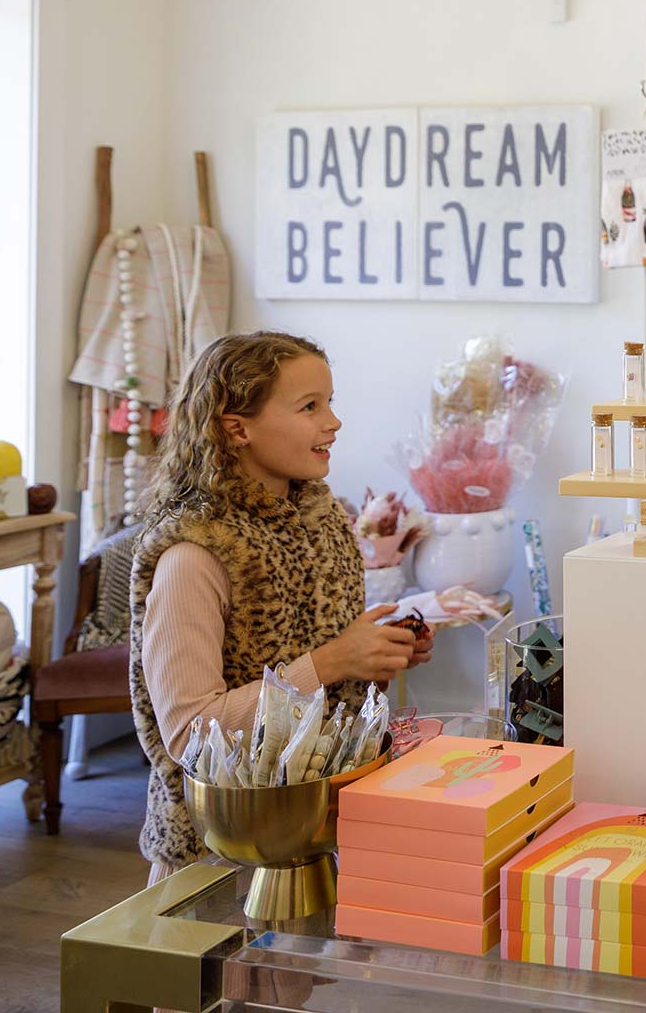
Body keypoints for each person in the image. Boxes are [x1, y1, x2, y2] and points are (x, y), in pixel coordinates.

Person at [128, 331, 432, 882]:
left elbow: (318, 656)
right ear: (237, 427)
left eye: (331, 402)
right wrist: (336, 660)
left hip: (315, 832)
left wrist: (377, 649)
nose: (333, 422)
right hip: (222, 854)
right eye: (309, 406)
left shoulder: (323, 520)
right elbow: (188, 734)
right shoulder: (196, 553)